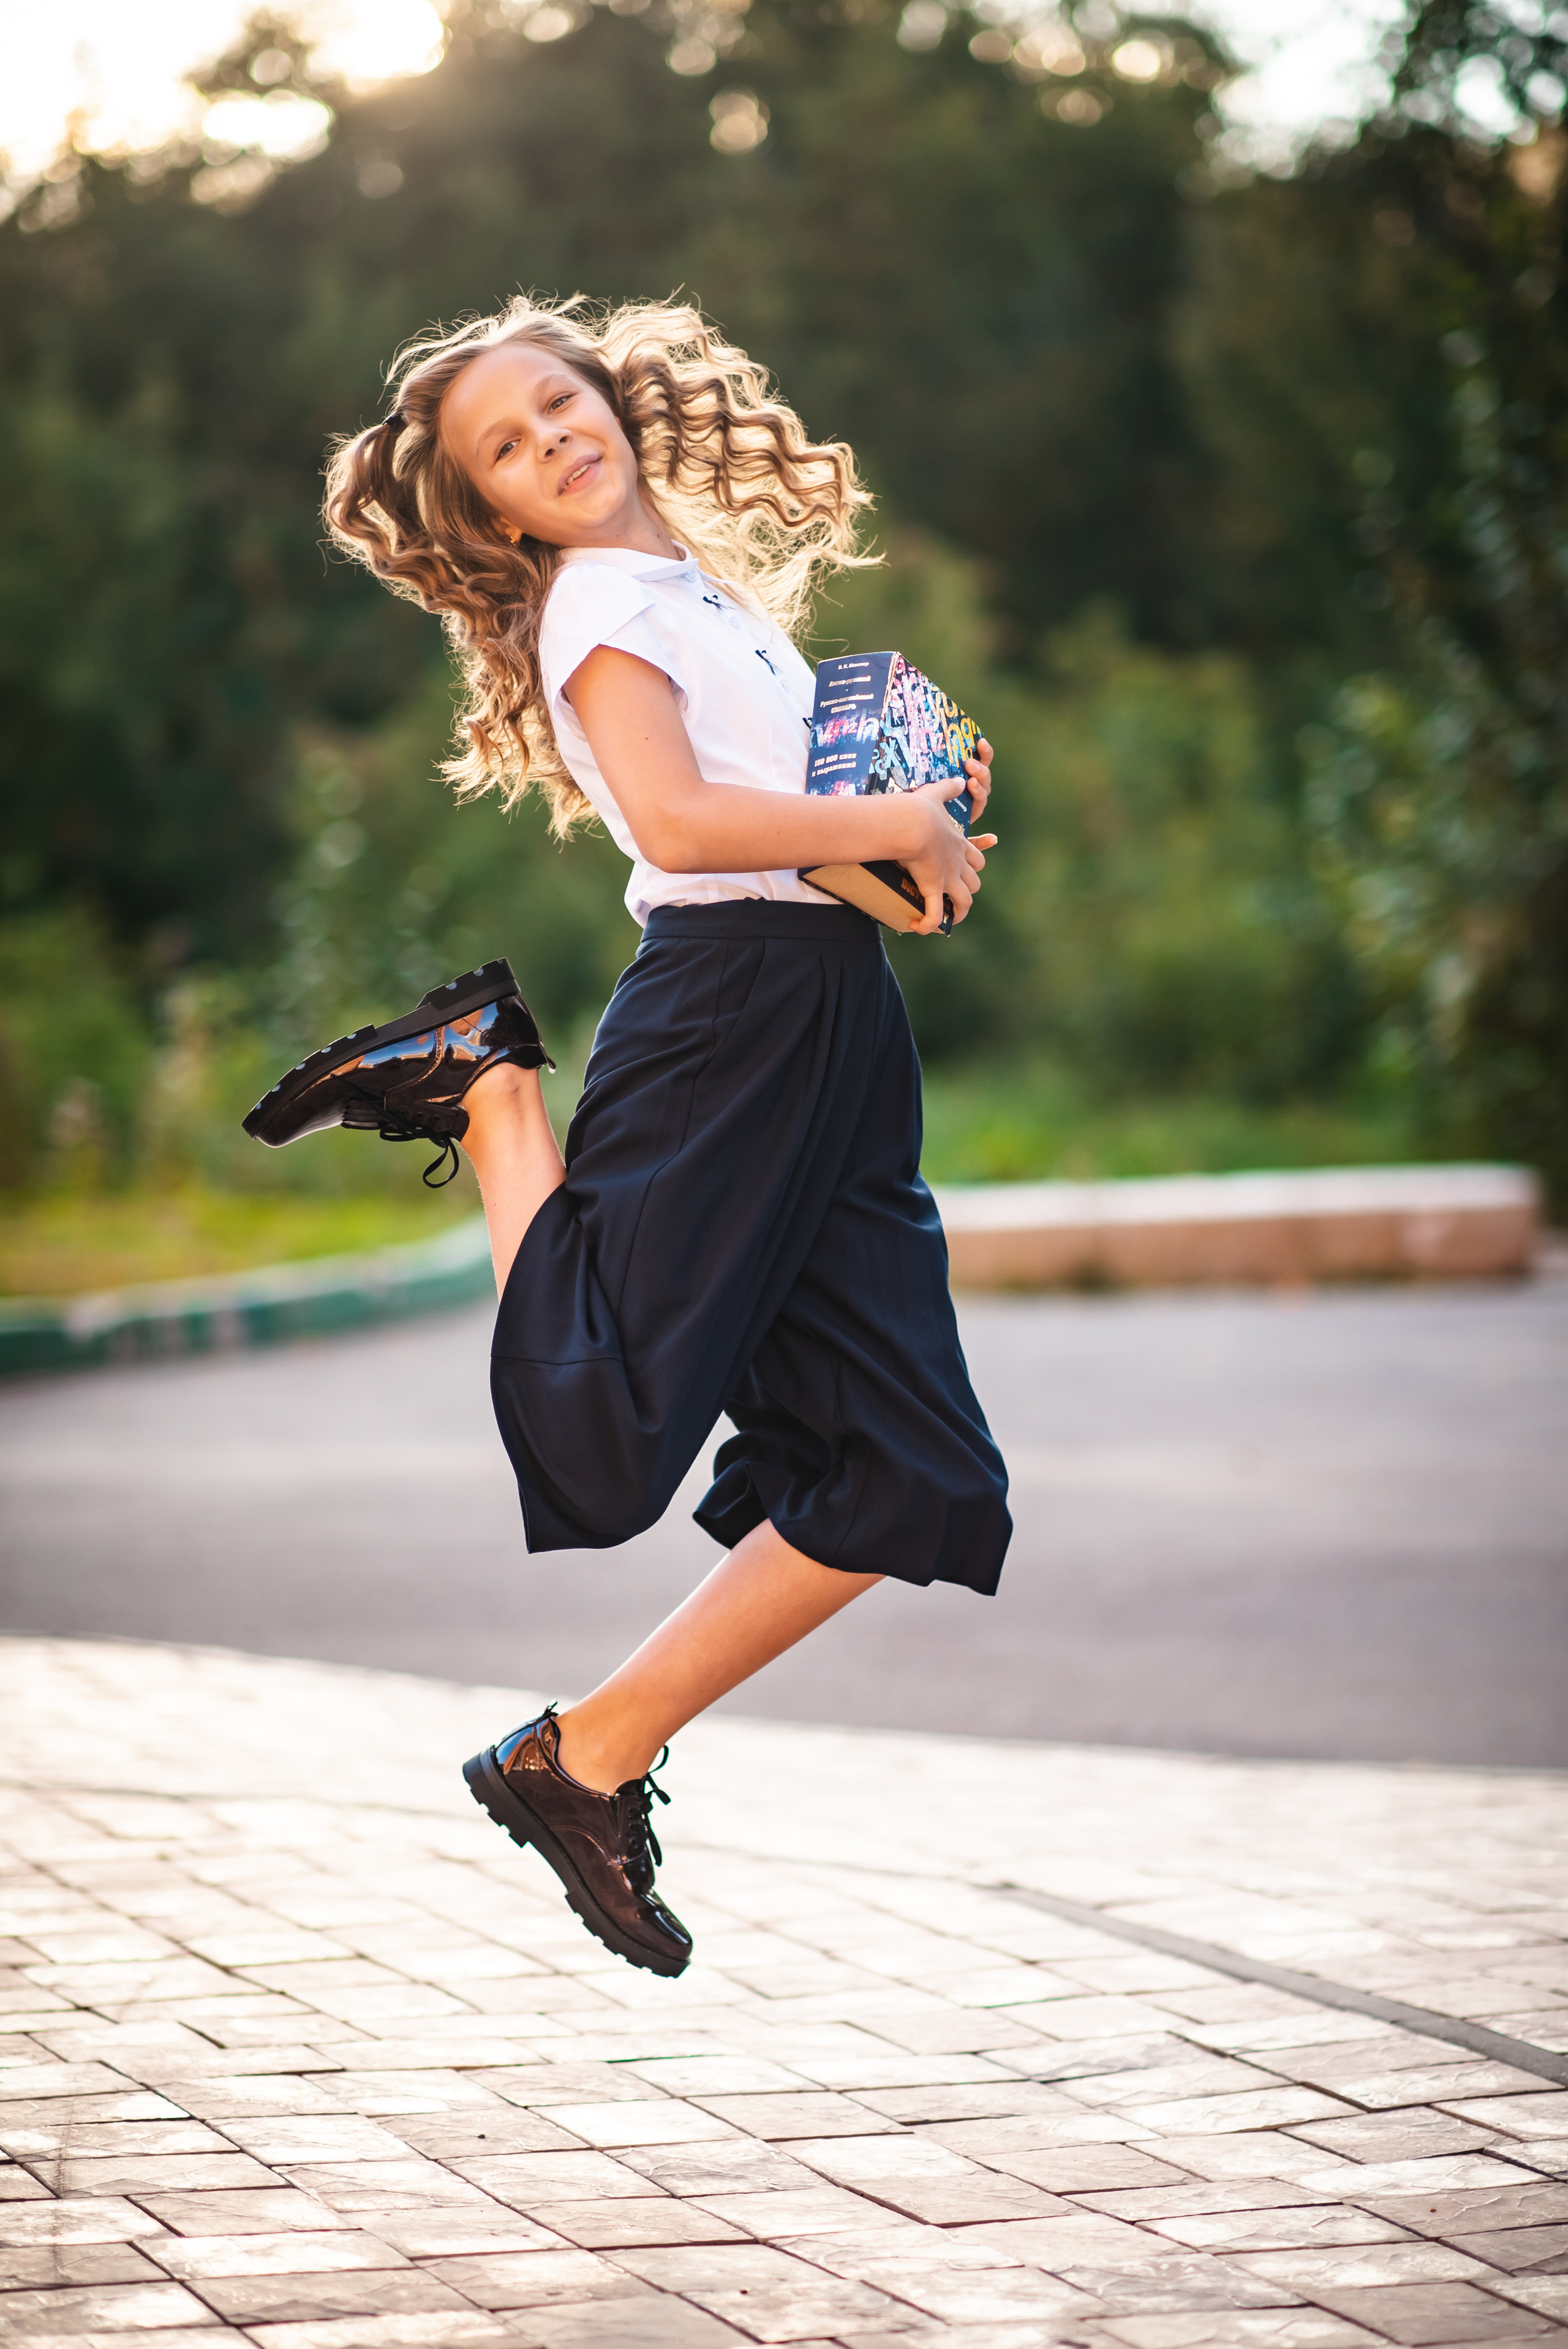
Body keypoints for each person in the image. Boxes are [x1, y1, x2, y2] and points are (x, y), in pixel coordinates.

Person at [244, 295, 1012, 1979]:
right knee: (595, 1435)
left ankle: (578, 1759)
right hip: (731, 1016)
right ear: (502, 515)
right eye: (507, 453)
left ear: (608, 388)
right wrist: (876, 823)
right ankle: (489, 1086)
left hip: (830, 1022)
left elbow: (797, 831)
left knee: (911, 1474)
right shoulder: (595, 605)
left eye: (553, 404)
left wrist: (916, 842)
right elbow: (677, 824)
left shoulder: (693, 593)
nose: (551, 446)